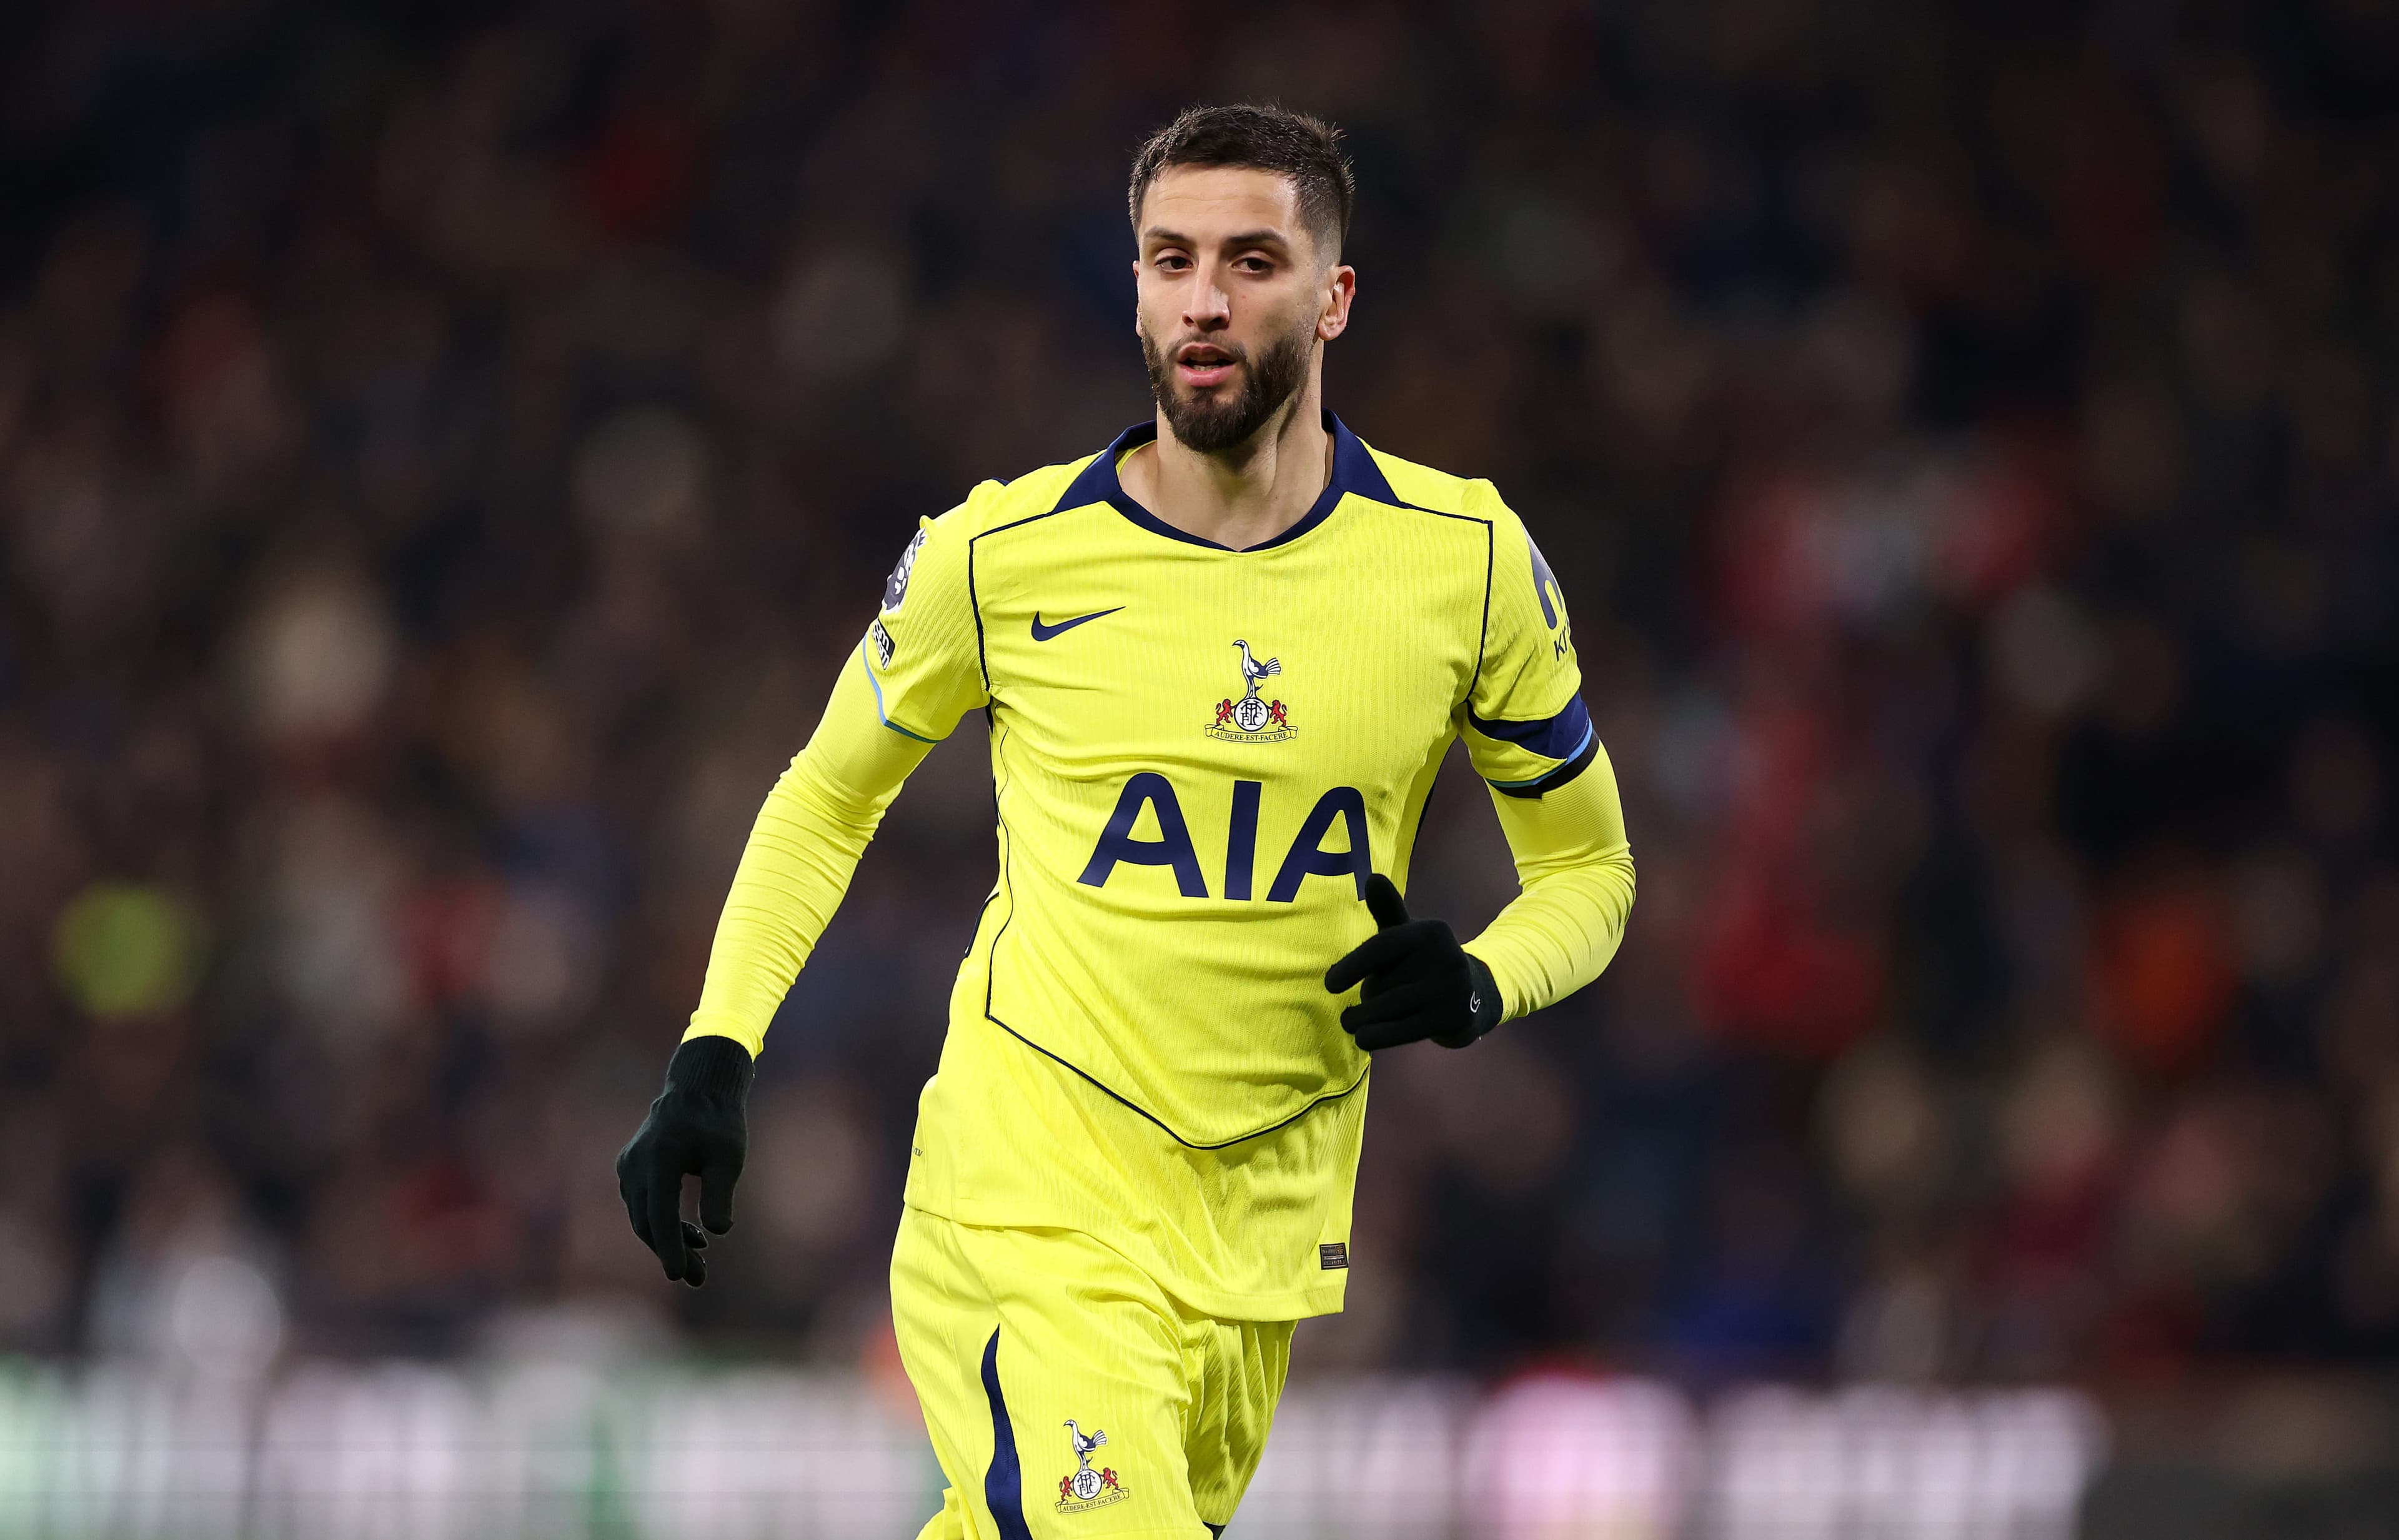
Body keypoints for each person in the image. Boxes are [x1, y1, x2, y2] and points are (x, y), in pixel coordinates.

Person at [617, 102, 1636, 1539]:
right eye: (1170, 260)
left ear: (1335, 297)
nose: (1204, 298)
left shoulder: (1463, 568)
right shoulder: (1002, 556)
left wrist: (1482, 980)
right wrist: (714, 1054)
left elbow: (1590, 870)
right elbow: (826, 796)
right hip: (1029, 1206)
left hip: (1262, 1248)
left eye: (1251, 260)